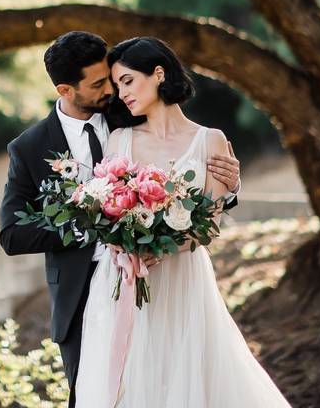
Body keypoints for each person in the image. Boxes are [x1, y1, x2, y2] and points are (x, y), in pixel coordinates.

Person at [0, 31, 242, 408]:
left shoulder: (125, 115)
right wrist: (93, 224)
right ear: (66, 89)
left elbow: (186, 164)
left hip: (167, 273)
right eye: (100, 84)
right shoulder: (29, 148)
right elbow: (12, 234)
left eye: (115, 81)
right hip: (84, 296)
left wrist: (230, 187)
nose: (112, 91)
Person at [74, 36, 290, 407]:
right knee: (126, 381)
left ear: (158, 73)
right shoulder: (119, 140)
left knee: (186, 373)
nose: (121, 93)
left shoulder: (210, 141)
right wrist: (121, 240)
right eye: (116, 85)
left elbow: (209, 223)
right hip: (123, 278)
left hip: (181, 276)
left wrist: (163, 246)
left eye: (127, 80)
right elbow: (104, 209)